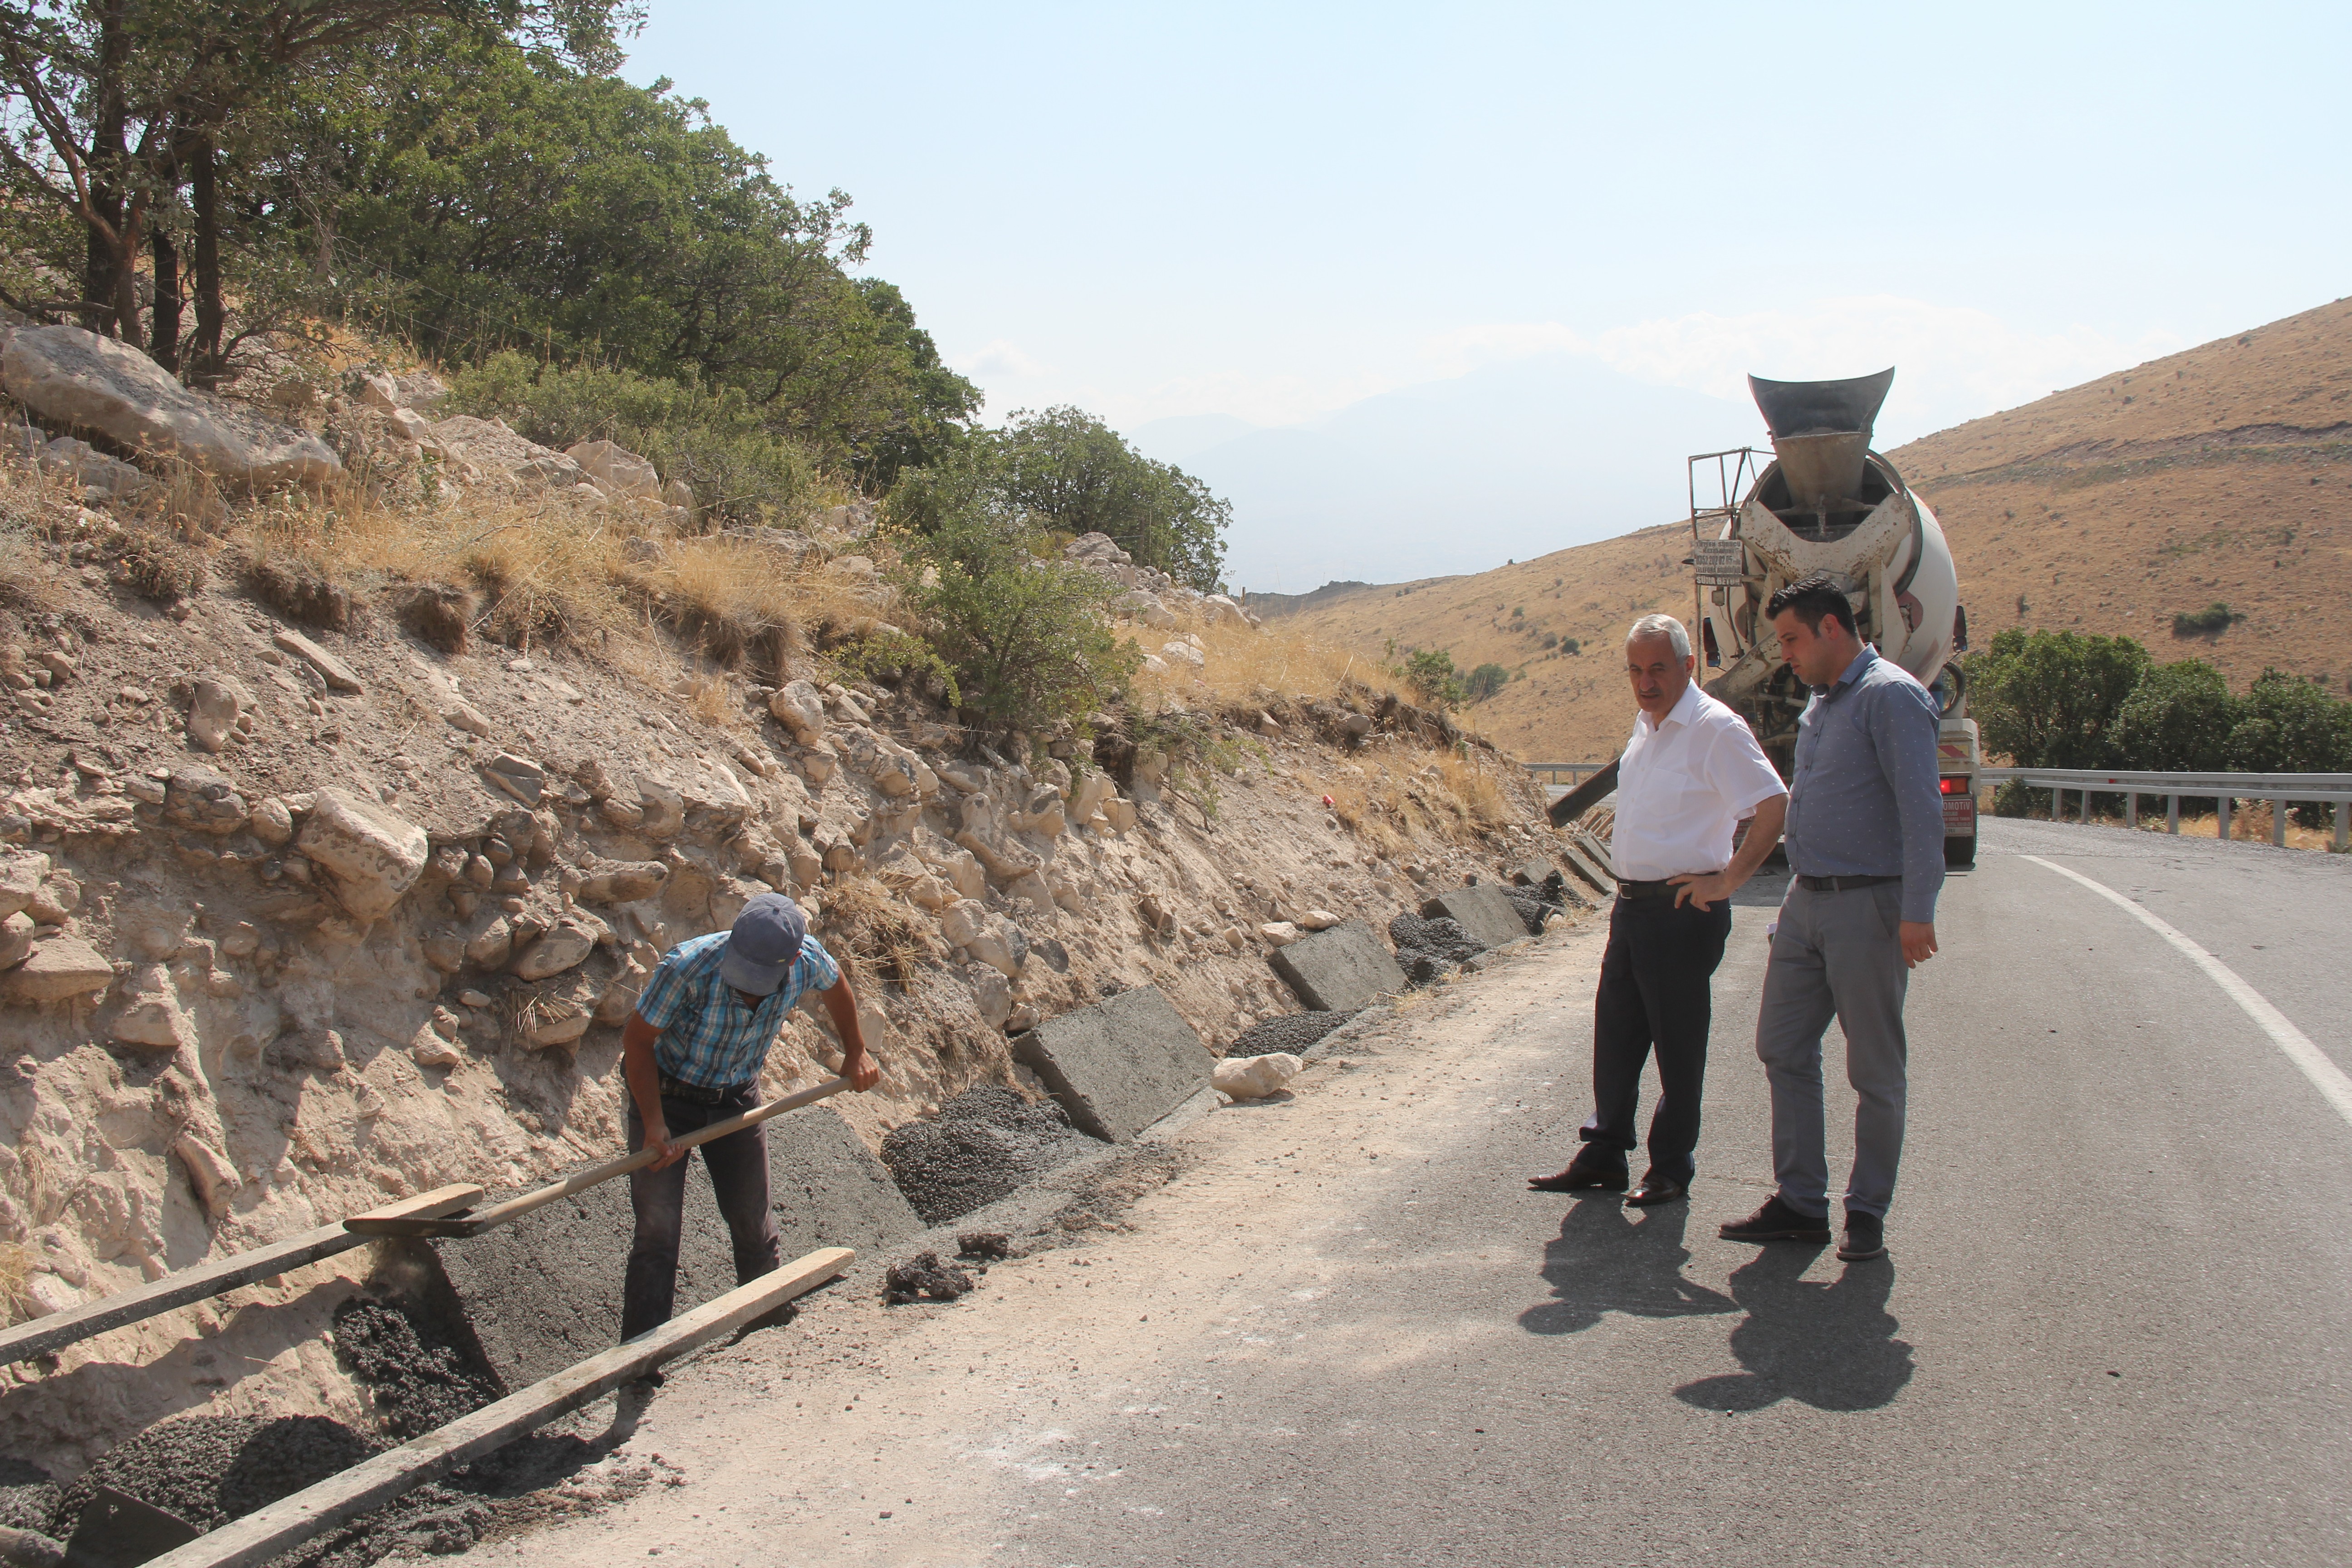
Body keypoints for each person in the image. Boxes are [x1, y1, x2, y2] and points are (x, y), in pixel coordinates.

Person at [1719, 573, 1944, 1263]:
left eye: (1791, 638)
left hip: (1869, 905)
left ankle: (1867, 1212)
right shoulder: (1821, 705)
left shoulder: (1892, 697)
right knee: (1781, 1046)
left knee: (1874, 1071)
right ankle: (1800, 1202)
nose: (1783, 652)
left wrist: (1916, 912)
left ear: (1832, 630)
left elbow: (1922, 812)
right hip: (1807, 902)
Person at [1530, 613, 1788, 1206]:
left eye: (1658, 669)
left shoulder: (1715, 729)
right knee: (1616, 1033)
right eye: (1636, 671)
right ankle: (1604, 1154)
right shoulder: (1648, 726)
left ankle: (1670, 1167)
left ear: (1688, 667)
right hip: (1632, 906)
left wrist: (1729, 880)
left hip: (1680, 909)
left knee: (1678, 1043)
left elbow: (1773, 806)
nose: (1646, 682)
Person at [618, 892, 881, 1346]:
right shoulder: (687, 966)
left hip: (735, 1098)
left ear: (793, 959)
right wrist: (655, 1123)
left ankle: (765, 1337)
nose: (747, 987)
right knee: (657, 1233)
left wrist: (856, 1051)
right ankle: (639, 1364)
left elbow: (837, 986)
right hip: (665, 1096)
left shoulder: (806, 961)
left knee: (752, 1223)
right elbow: (638, 1044)